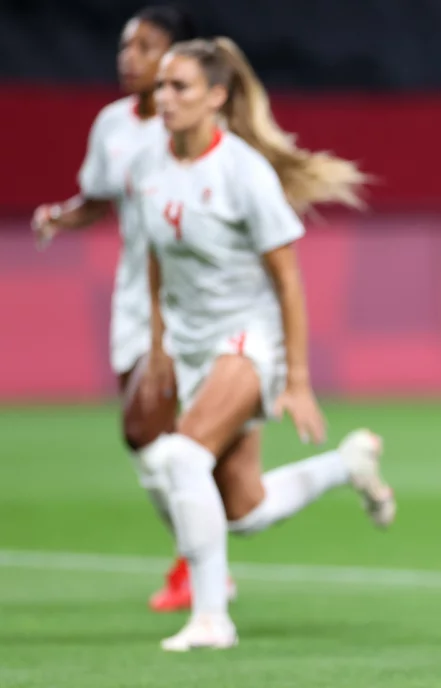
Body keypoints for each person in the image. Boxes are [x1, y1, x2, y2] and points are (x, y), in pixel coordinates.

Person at [130, 37, 396, 651]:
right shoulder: (149, 165)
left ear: (217, 96)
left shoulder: (242, 171)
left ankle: (210, 620)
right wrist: (160, 342)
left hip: (249, 340)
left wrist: (296, 379)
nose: (164, 98)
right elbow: (154, 257)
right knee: (243, 510)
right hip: (195, 346)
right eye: (161, 87)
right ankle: (346, 465)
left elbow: (288, 279)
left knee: (180, 458)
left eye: (180, 87)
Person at [28, 5, 215, 614]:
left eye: (145, 46)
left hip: (201, 298)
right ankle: (197, 553)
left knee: (157, 432)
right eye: (124, 46)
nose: (127, 57)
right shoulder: (112, 124)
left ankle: (201, 564)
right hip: (138, 297)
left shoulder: (194, 121)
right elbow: (99, 200)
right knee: (149, 442)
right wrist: (61, 215)